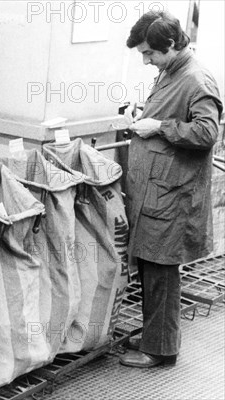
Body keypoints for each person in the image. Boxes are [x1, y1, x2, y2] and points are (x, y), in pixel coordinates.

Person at [121, 10, 222, 368]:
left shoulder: (198, 80)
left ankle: (161, 349)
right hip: (157, 190)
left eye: (149, 53)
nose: (146, 60)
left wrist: (159, 126)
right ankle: (154, 333)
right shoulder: (171, 70)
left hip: (173, 194)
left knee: (162, 269)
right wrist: (143, 113)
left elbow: (207, 134)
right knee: (150, 264)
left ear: (170, 45)